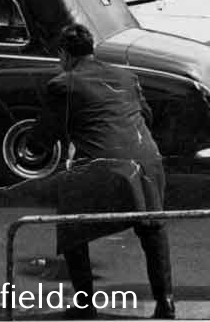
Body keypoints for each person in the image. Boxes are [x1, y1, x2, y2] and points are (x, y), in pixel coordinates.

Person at [29, 24, 174, 320]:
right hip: (147, 161)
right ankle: (166, 301)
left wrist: (34, 143)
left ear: (64, 55)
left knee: (71, 226)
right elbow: (147, 115)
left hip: (104, 165)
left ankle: (84, 304)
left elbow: (43, 136)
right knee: (151, 228)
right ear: (92, 49)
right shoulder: (125, 75)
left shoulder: (63, 84)